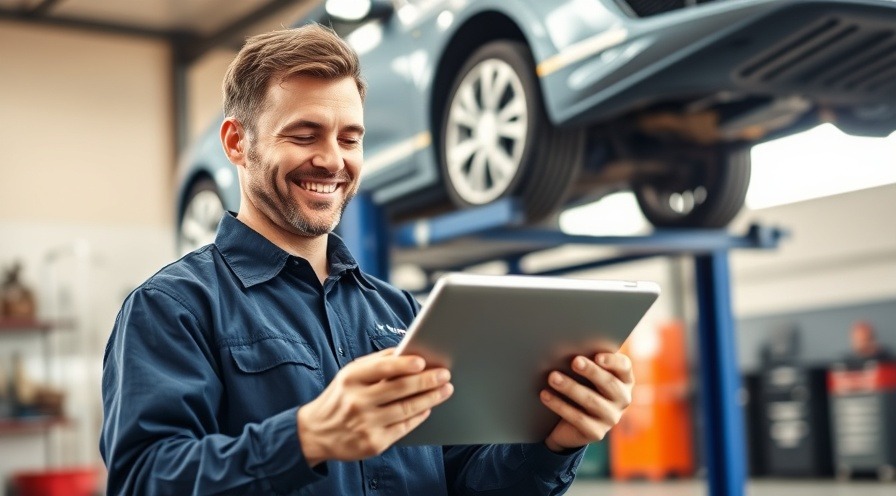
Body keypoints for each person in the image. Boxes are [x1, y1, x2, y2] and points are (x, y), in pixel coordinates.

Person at [100, 24, 634, 495]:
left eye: (349, 138)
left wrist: (557, 442)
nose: (332, 160)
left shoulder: (403, 313)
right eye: (304, 134)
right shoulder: (173, 308)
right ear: (237, 143)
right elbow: (144, 478)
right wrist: (305, 438)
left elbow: (466, 481)